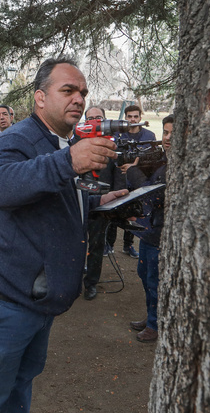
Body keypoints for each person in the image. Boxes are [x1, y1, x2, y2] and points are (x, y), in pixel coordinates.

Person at [0, 57, 127, 412]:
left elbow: (51, 199)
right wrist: (70, 162)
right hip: (1, 302)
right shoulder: (16, 138)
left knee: (18, 386)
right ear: (40, 98)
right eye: (68, 90)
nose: (78, 98)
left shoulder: (64, 142)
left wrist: (96, 202)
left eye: (83, 92)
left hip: (36, 301)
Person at [126, 114, 172, 343]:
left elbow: (155, 195)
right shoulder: (161, 159)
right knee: (144, 275)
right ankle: (151, 317)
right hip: (149, 231)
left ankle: (155, 324)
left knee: (154, 280)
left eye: (173, 132)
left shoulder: (180, 164)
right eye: (165, 132)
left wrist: (132, 172)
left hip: (162, 234)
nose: (168, 138)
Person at [81, 106, 123, 300]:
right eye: (90, 118)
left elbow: (119, 174)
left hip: (102, 205)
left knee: (96, 246)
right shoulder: (74, 143)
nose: (95, 121)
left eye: (99, 118)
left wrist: (116, 199)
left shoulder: (113, 145)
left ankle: (91, 283)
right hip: (78, 203)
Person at [115, 104, 156, 259]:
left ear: (140, 118)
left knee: (134, 214)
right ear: (125, 118)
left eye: (135, 116)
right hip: (120, 179)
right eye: (130, 116)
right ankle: (108, 244)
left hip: (138, 180)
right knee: (115, 212)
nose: (133, 119)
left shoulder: (149, 136)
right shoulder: (118, 134)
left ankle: (128, 245)